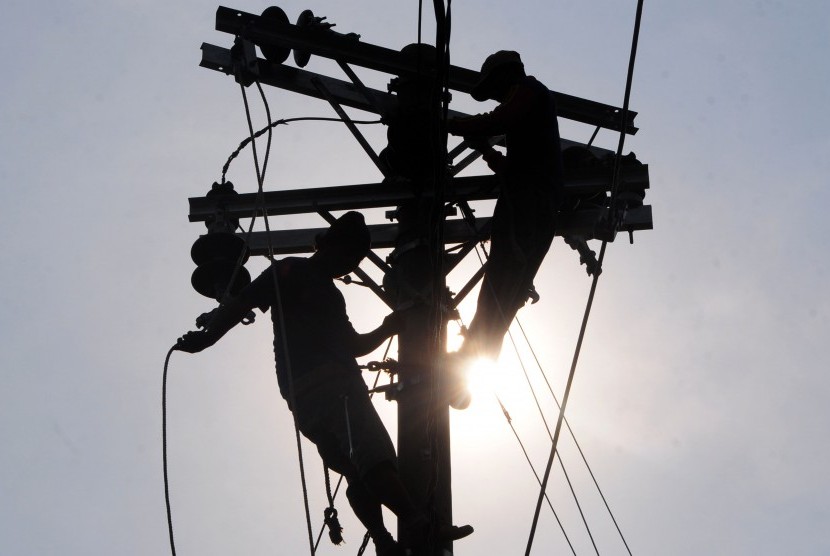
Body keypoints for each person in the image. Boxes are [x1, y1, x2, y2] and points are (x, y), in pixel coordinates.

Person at [176, 211, 471, 555]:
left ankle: (383, 541)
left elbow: (354, 345)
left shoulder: (326, 292)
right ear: (330, 245)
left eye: (356, 260)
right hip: (335, 387)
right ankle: (419, 526)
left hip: (304, 399)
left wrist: (387, 328)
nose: (350, 265)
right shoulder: (292, 270)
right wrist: (208, 337)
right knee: (373, 453)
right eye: (349, 256)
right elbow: (242, 302)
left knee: (355, 470)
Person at [447, 50, 565, 361]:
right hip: (535, 202)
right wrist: (486, 150)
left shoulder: (530, 92)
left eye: (495, 91)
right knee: (508, 282)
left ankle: (476, 351)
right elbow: (513, 167)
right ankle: (480, 351)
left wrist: (457, 124)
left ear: (506, 76)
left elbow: (501, 119)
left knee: (504, 273)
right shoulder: (530, 115)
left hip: (528, 203)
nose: (496, 99)